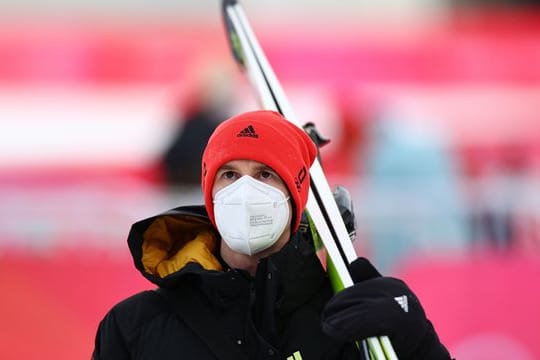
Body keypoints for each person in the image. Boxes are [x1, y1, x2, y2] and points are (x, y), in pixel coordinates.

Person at [92, 110, 452, 359]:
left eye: (265, 174)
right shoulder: (136, 325)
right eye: (229, 174)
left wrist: (416, 341)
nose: (245, 191)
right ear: (210, 193)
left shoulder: (346, 317)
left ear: (295, 194)